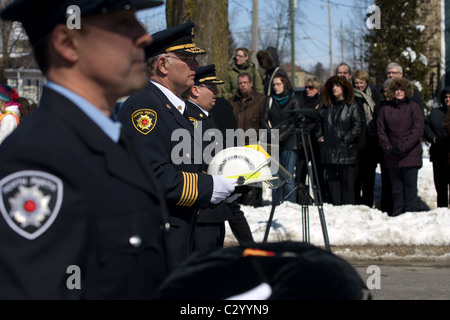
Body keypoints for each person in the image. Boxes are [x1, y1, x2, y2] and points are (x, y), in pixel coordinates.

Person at [0, 0, 170, 300]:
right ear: (68, 43)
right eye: (123, 24)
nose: (144, 36)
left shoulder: (110, 137)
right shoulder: (36, 159)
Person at [118, 23, 236, 267]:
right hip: (158, 234)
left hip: (177, 228)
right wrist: (209, 187)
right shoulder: (145, 106)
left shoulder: (169, 106)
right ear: (162, 65)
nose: (195, 65)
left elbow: (183, 164)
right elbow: (153, 175)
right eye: (187, 58)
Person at [182, 64, 235, 253]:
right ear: (195, 90)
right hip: (202, 210)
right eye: (211, 87)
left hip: (213, 210)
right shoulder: (188, 118)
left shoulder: (205, 117)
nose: (217, 92)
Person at [210, 95, 255, 245]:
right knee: (231, 207)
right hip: (229, 159)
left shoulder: (212, 106)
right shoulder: (225, 104)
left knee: (224, 207)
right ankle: (250, 246)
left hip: (215, 161)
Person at [377, 78, 424, 216]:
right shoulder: (386, 108)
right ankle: (398, 214)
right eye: (396, 89)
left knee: (410, 188)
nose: (398, 92)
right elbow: (381, 130)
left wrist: (402, 148)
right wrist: (388, 148)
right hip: (392, 155)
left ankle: (410, 215)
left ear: (406, 91)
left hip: (410, 155)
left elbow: (417, 130)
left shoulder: (414, 107)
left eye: (401, 89)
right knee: (396, 189)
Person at [319, 75, 364, 205]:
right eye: (333, 86)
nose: (335, 88)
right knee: (332, 183)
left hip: (347, 151)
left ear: (344, 88)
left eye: (338, 85)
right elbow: (318, 123)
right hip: (330, 150)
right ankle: (335, 208)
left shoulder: (352, 105)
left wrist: (346, 139)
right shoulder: (326, 106)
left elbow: (358, 125)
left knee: (348, 184)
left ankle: (348, 209)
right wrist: (320, 136)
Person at [228, 72, 267, 207]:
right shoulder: (232, 101)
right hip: (236, 144)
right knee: (238, 177)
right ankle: (240, 201)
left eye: (245, 83)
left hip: (254, 143)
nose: (242, 85)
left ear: (251, 83)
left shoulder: (261, 100)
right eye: (240, 83)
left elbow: (264, 123)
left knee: (255, 178)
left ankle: (255, 203)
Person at [261, 74, 300, 203]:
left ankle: (291, 205)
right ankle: (276, 205)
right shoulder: (270, 100)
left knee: (288, 176)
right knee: (275, 176)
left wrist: (282, 136)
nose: (276, 87)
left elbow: (294, 122)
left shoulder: (294, 100)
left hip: (289, 142)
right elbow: (264, 119)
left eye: (278, 84)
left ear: (285, 84)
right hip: (273, 142)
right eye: (274, 85)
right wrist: (272, 135)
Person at [296, 77, 327, 204]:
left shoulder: (322, 100)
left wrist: (310, 113)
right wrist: (311, 112)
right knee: (300, 171)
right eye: (306, 87)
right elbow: (297, 113)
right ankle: (301, 198)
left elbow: (320, 115)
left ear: (318, 89)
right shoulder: (301, 99)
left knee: (317, 171)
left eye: (311, 87)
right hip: (303, 138)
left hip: (316, 140)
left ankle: (321, 198)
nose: (308, 90)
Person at [352, 70, 379, 208]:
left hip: (371, 142)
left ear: (366, 83)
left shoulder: (373, 96)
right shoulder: (351, 97)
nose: (359, 85)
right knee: (356, 177)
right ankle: (356, 203)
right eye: (356, 82)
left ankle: (368, 203)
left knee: (369, 177)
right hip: (357, 143)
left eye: (361, 82)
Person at [424, 87, 450, 208]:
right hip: (439, 155)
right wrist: (433, 137)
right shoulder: (435, 113)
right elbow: (427, 127)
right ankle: (442, 212)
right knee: (440, 188)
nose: (447, 100)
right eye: (445, 97)